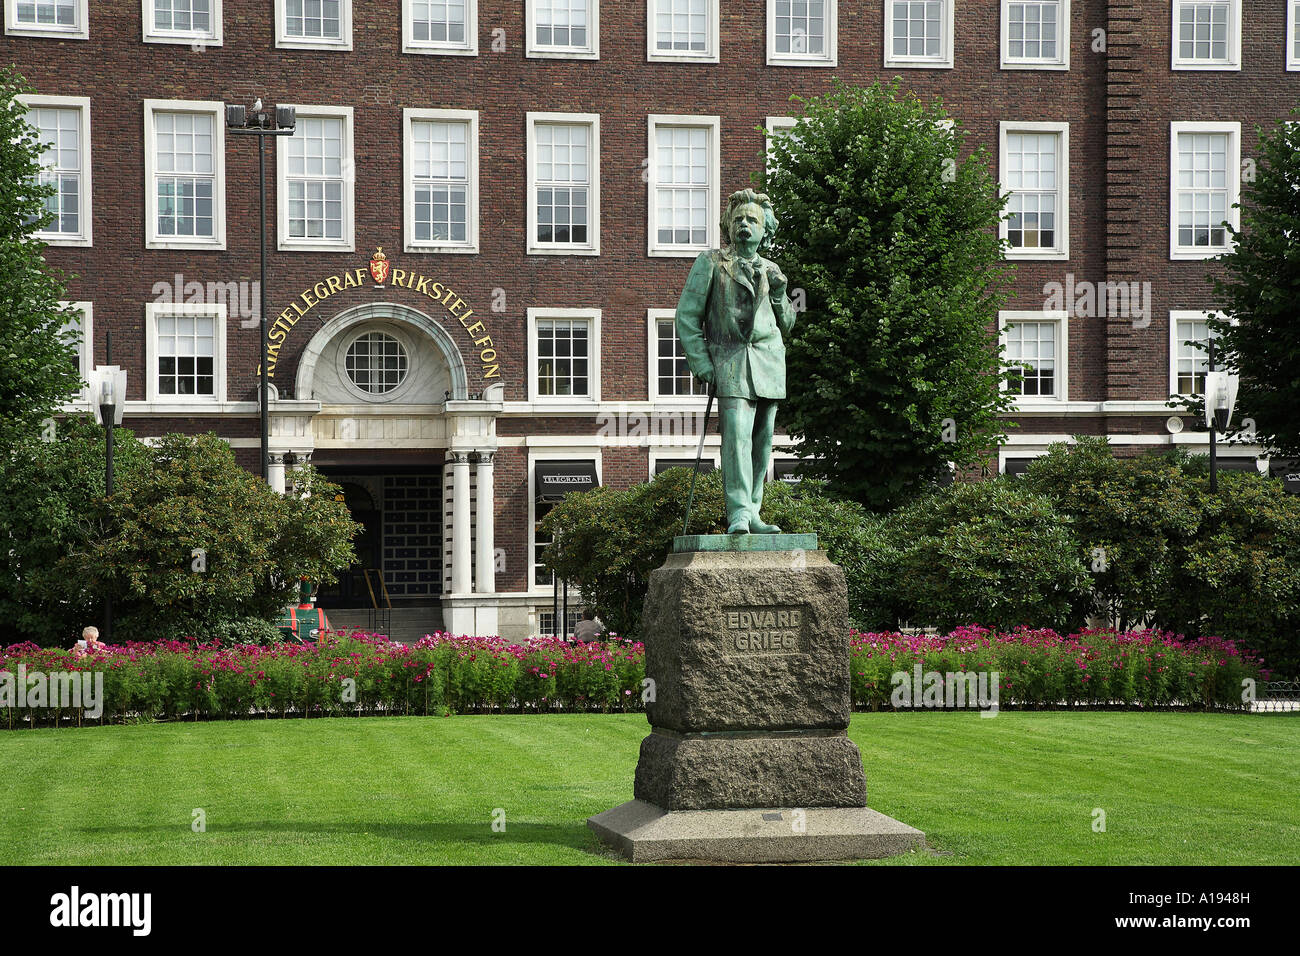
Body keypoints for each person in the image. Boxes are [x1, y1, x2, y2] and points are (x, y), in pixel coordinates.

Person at [674, 188, 796, 534]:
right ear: (729, 226)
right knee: (737, 438)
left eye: (752, 220)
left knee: (763, 440)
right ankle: (739, 512)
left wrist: (778, 293)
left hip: (769, 365)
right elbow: (686, 316)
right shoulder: (710, 262)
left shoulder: (773, 269)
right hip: (729, 362)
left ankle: (754, 511)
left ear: (765, 230)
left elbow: (786, 324)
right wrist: (702, 364)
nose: (745, 225)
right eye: (739, 219)